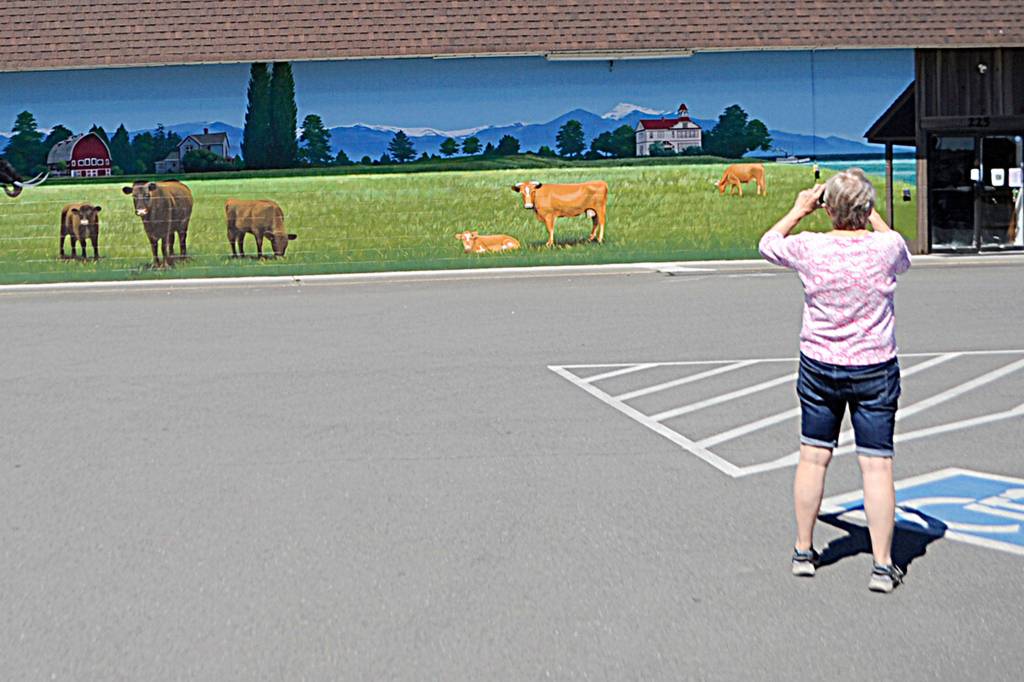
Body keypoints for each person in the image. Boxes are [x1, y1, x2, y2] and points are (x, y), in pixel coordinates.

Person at [758, 168, 912, 593]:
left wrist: (799, 209)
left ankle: (803, 551)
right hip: (874, 367)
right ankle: (883, 565)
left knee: (813, 458)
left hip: (820, 365)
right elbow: (900, 251)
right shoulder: (886, 247)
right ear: (867, 208)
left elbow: (768, 244)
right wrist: (871, 212)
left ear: (827, 209)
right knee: (877, 465)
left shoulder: (811, 246)